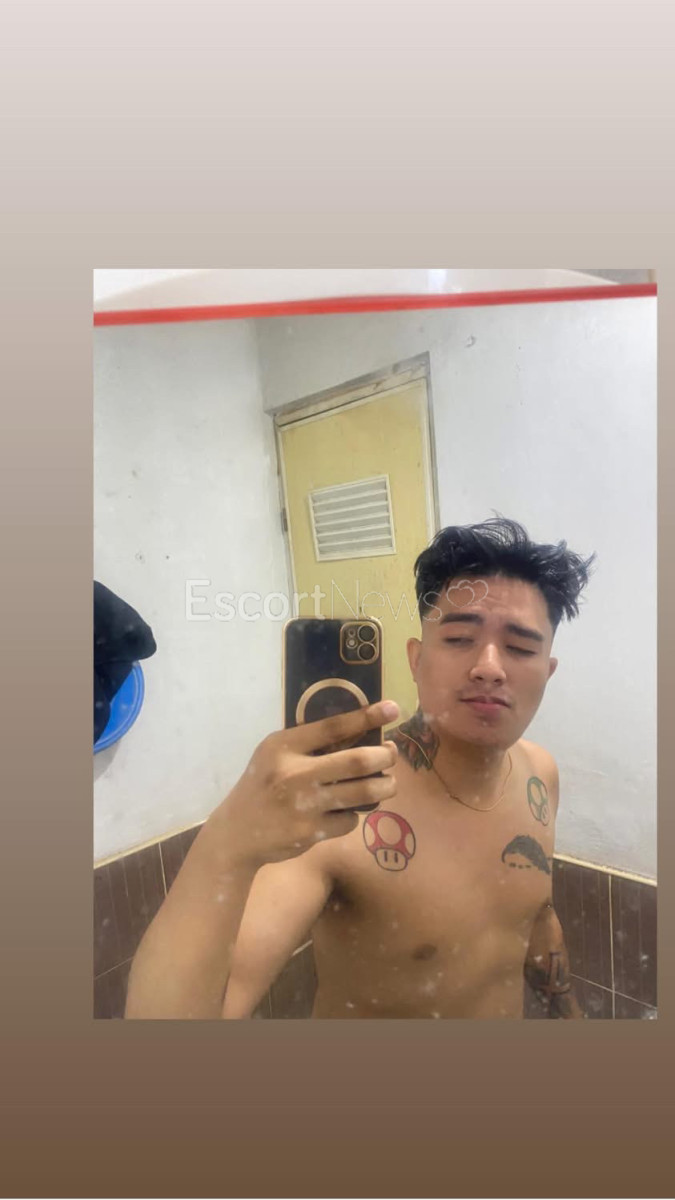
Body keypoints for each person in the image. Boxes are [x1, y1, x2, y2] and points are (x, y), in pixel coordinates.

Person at [125, 517, 596, 1020]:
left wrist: (568, 1014)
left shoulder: (540, 775)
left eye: (520, 647)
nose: (489, 667)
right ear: (416, 660)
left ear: (547, 672)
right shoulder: (341, 808)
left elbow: (537, 915)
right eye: (460, 638)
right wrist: (227, 843)